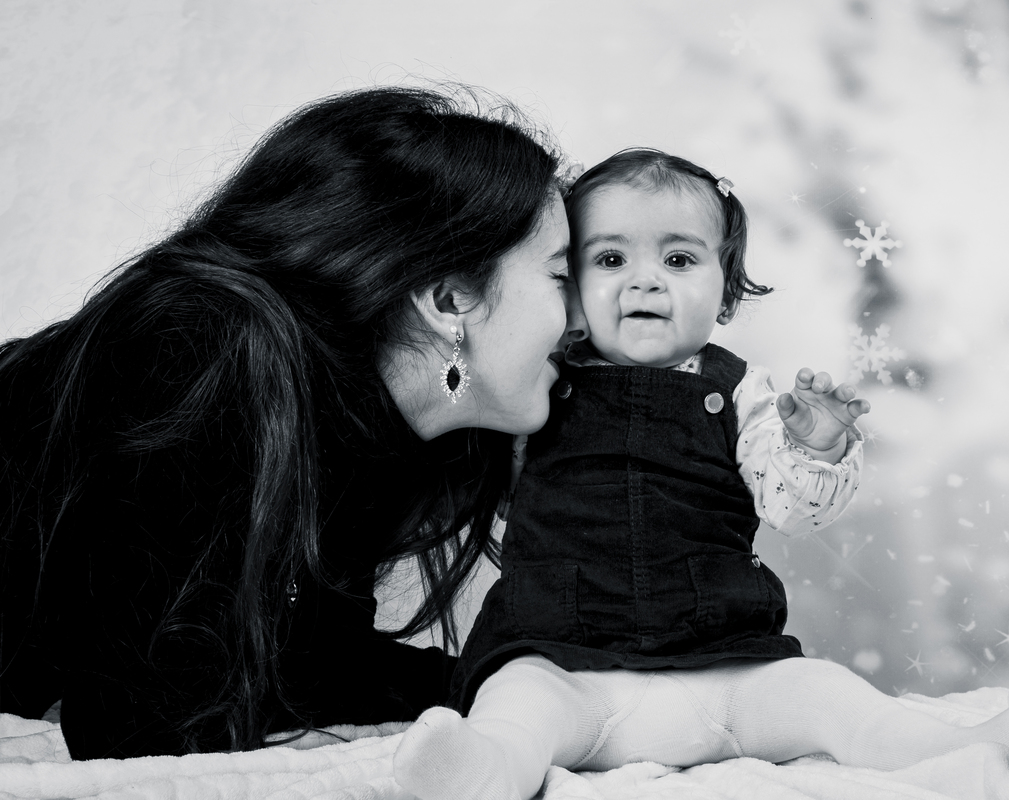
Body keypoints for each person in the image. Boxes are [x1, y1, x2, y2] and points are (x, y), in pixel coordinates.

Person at [391, 149, 1009, 800]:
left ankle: (934, 748)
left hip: (726, 670)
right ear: (570, 288)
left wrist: (816, 451)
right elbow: (473, 482)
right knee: (516, 700)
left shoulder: (748, 392)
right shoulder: (538, 385)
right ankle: (486, 768)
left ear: (726, 295)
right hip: (566, 665)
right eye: (610, 260)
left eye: (679, 259)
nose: (645, 282)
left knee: (826, 693)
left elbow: (790, 511)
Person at [0, 85, 587, 760]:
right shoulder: (206, 348)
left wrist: (540, 690)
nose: (580, 321)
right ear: (450, 298)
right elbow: (142, 719)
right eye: (559, 276)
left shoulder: (357, 418)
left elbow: (311, 669)